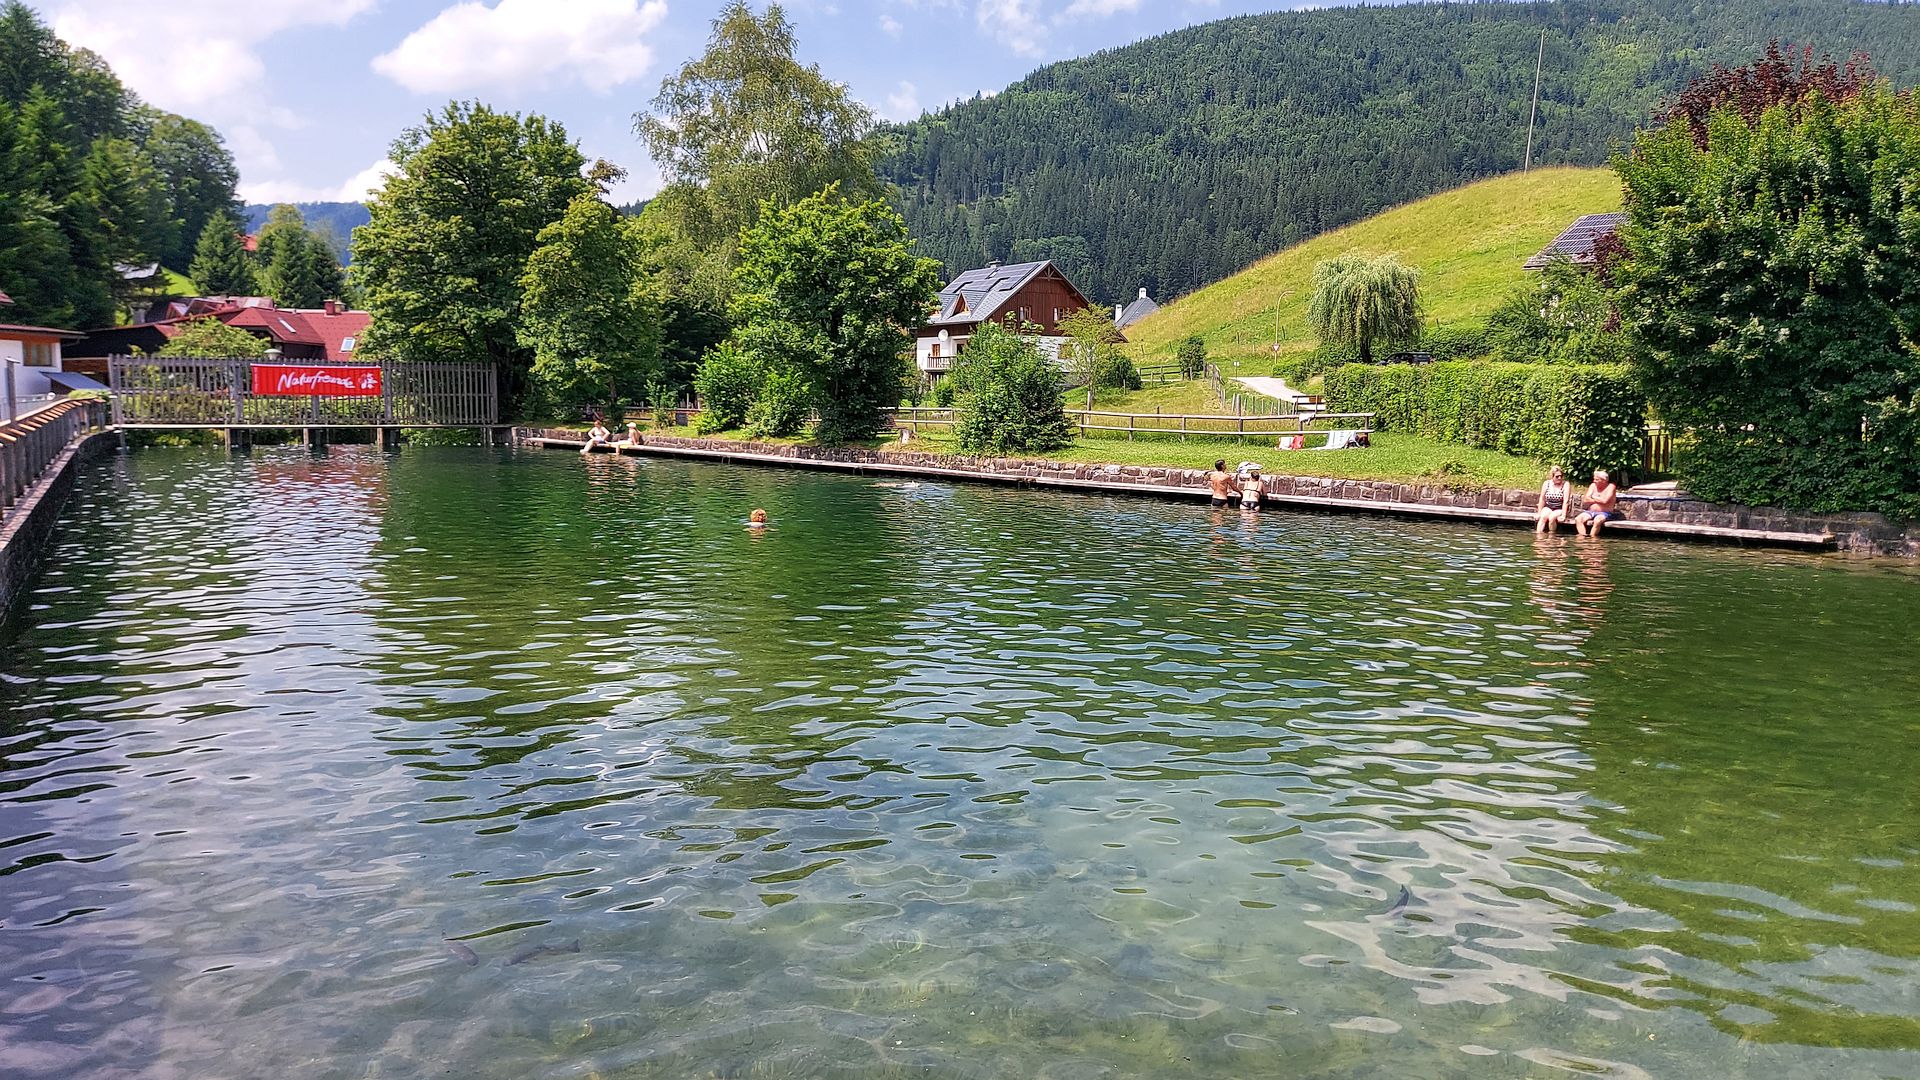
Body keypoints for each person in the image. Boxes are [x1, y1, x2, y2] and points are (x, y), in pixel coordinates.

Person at [1575, 469, 1619, 536]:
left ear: (1604, 480)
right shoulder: (1593, 486)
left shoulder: (1611, 487)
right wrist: (1598, 499)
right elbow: (1586, 499)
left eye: (1597, 480)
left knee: (1597, 521)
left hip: (1604, 513)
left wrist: (1593, 497)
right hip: (1590, 512)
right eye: (1594, 479)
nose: (1594, 481)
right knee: (1578, 519)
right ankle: (1583, 537)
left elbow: (1605, 501)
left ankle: (1592, 539)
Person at [1535, 465, 1572, 533]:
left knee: (1552, 517)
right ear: (1552, 477)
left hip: (1559, 508)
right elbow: (1542, 499)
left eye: (1561, 476)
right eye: (1557, 476)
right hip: (1548, 506)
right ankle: (1538, 536)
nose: (1559, 478)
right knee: (1543, 517)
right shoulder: (1547, 483)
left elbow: (1566, 501)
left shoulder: (1566, 484)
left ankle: (1551, 536)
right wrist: (1539, 513)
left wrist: (1563, 515)